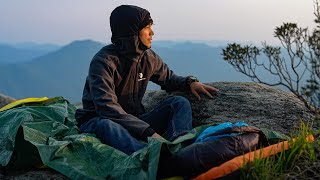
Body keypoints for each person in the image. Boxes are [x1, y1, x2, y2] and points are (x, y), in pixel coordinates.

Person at [75, 5, 219, 155]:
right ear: (131, 32)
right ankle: (151, 157)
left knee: (179, 103)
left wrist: (190, 82)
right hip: (99, 120)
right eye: (147, 27)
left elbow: (168, 78)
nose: (152, 32)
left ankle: (179, 145)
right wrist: (148, 132)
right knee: (107, 125)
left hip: (135, 119)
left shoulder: (148, 57)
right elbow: (107, 108)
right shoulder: (104, 61)